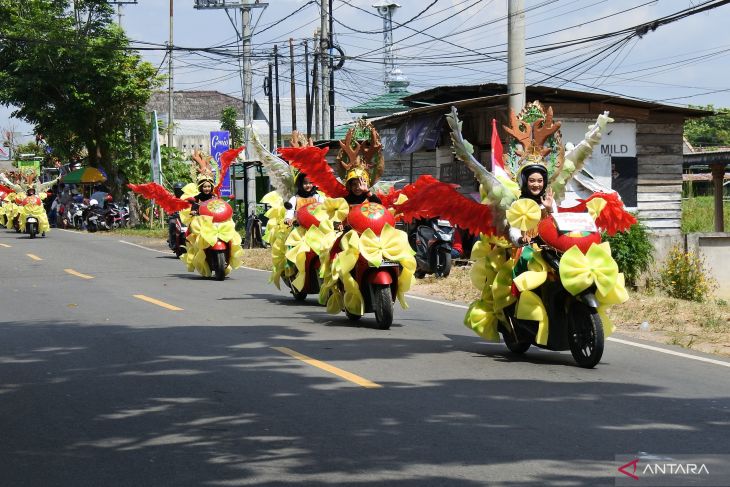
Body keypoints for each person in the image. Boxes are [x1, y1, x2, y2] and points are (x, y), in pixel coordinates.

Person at [508, 164, 557, 247]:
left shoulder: (550, 201)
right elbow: (513, 229)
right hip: (525, 251)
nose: (536, 185)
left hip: (547, 249)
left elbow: (556, 227)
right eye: (532, 180)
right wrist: (521, 239)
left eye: (540, 181)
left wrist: (549, 209)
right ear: (525, 181)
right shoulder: (518, 204)